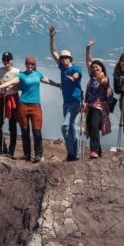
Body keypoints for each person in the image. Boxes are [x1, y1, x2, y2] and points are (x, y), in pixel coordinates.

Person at [0, 56, 60, 163]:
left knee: (37, 131)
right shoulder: (21, 75)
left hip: (35, 106)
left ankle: (38, 154)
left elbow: (47, 80)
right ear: (25, 64)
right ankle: (26, 154)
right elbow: (11, 82)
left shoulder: (38, 74)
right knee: (25, 131)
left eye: (32, 64)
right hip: (23, 105)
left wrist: (58, 85)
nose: (30, 66)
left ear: (34, 65)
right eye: (28, 64)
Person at [49, 25, 83, 161]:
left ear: (70, 58)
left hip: (74, 102)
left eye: (66, 58)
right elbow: (53, 51)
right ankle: (76, 155)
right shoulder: (62, 68)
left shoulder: (76, 68)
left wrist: (72, 78)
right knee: (72, 128)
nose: (63, 59)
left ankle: (71, 154)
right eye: (62, 58)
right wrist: (52, 37)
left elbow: (77, 74)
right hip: (66, 102)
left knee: (65, 126)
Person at [81, 40, 113, 159]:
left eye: (97, 67)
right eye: (93, 68)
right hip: (89, 106)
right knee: (91, 126)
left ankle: (94, 150)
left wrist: (100, 79)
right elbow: (89, 61)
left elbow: (104, 82)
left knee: (94, 125)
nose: (94, 69)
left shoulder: (105, 78)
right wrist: (87, 48)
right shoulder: (92, 77)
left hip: (99, 107)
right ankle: (98, 151)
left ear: (101, 68)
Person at [0, 52, 20, 155]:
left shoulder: (17, 72)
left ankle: (11, 150)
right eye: (4, 60)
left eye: (8, 60)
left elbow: (20, 87)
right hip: (2, 97)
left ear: (12, 60)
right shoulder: (0, 70)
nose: (6, 62)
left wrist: (7, 86)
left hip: (13, 98)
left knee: (12, 126)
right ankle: (3, 146)